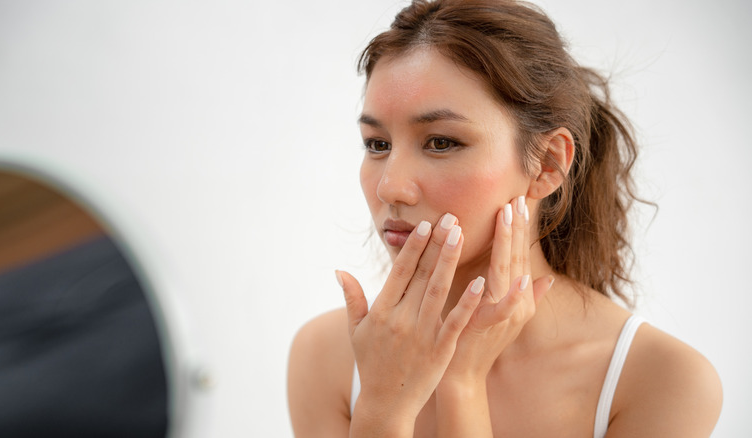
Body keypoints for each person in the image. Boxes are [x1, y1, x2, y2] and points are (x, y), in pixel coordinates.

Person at [287, 0, 722, 436]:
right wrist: (382, 406)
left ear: (548, 164)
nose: (390, 187)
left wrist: (463, 384)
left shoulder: (661, 381)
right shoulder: (326, 357)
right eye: (377, 144)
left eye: (440, 142)